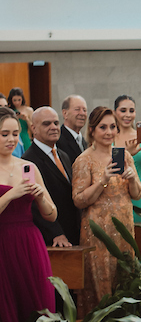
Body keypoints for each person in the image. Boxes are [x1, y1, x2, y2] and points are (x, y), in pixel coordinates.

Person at [72, 106, 141, 314]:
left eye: (113, 126)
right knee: (100, 281)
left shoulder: (125, 157)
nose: (109, 132)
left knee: (124, 276)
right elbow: (78, 200)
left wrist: (131, 179)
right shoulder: (84, 160)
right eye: (103, 127)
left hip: (124, 228)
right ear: (92, 130)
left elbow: (138, 194)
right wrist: (102, 180)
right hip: (98, 232)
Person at [0, 107, 58, 322]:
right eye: (4, 134)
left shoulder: (28, 166)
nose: (11, 139)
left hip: (29, 243)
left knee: (37, 303)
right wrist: (11, 195)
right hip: (2, 242)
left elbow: (51, 215)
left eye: (15, 133)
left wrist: (41, 197)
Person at [23, 106, 81, 247]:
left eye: (56, 123)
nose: (54, 127)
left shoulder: (64, 155)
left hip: (74, 231)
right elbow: (32, 202)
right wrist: (55, 232)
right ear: (33, 128)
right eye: (46, 123)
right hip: (52, 239)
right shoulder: (28, 161)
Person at [59, 95, 88, 162]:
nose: (82, 113)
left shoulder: (86, 142)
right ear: (65, 113)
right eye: (77, 109)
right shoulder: (58, 140)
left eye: (84, 110)